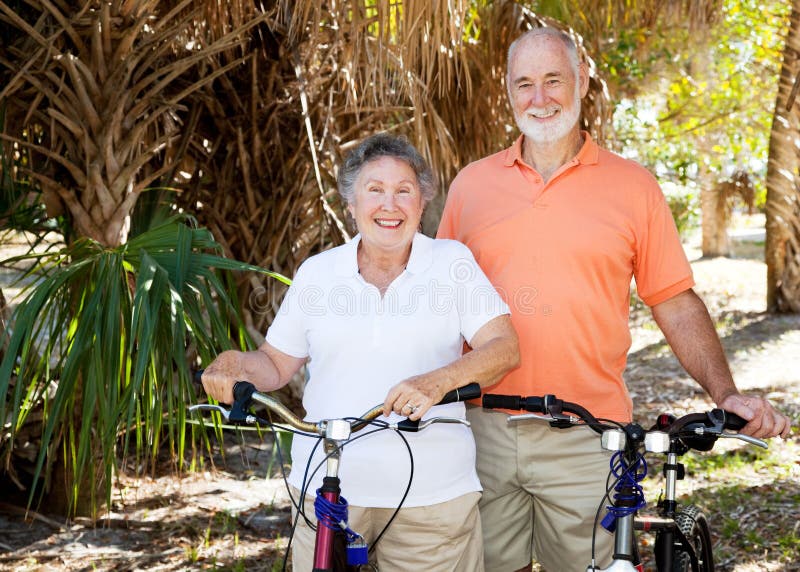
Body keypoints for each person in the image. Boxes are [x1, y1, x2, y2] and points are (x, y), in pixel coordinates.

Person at [436, 27, 792, 572]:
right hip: (481, 432)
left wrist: (726, 393)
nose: (540, 98)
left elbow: (673, 301)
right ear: (507, 92)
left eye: (554, 79)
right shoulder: (470, 186)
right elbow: (436, 308)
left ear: (581, 80)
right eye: (524, 83)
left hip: (586, 437)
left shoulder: (633, 187)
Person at [202, 133, 519, 571]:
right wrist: (233, 364)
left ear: (421, 203)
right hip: (325, 490)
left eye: (403, 191)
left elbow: (504, 347)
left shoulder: (451, 263)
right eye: (375, 190)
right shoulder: (318, 274)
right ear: (350, 204)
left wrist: (438, 380)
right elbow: (275, 363)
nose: (390, 206)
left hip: (432, 497)